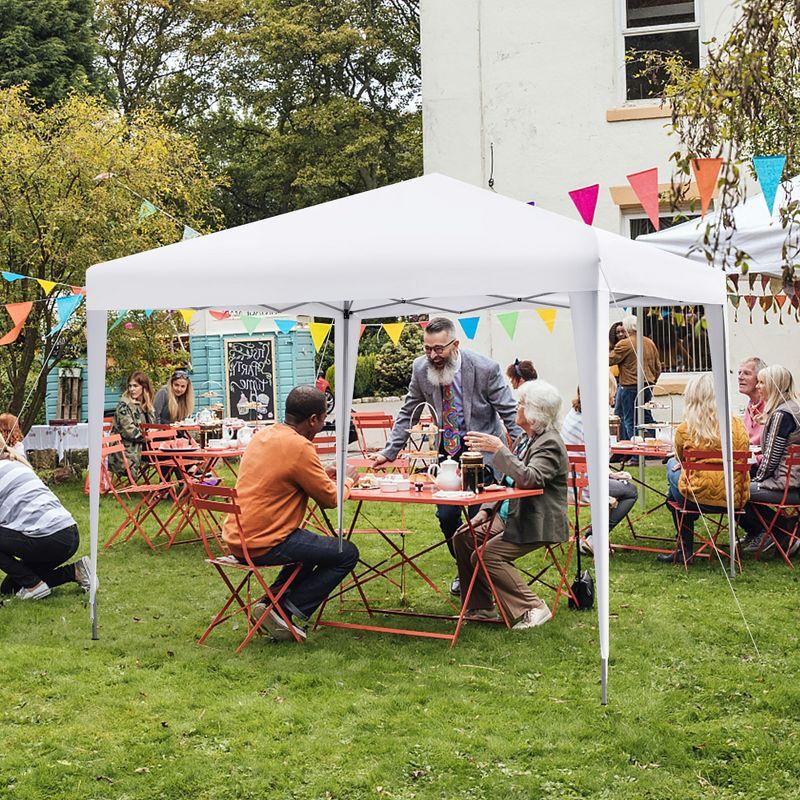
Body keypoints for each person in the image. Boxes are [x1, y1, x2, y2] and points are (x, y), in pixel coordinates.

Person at [369, 317, 522, 596]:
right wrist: (389, 451)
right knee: (447, 516)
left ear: (455, 345)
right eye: (427, 349)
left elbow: (510, 414)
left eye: (438, 349)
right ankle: (466, 570)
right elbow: (408, 413)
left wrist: (522, 455)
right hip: (446, 454)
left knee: (478, 520)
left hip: (481, 453)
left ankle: (478, 580)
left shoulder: (485, 369)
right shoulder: (420, 368)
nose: (432, 356)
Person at [224, 385, 359, 642]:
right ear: (313, 420)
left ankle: (271, 602)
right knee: (346, 552)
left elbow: (287, 470)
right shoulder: (300, 447)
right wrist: (348, 482)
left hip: (237, 535)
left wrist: (320, 470)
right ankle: (287, 609)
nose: (322, 425)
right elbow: (330, 498)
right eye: (323, 419)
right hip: (264, 542)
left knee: (310, 548)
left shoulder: (265, 434)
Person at [452, 380, 568, 629]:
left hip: (534, 520)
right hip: (508, 515)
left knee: (487, 555)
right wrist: (484, 510)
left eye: (522, 403)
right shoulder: (526, 439)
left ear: (535, 412)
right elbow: (506, 481)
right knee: (463, 536)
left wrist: (499, 449)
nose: (517, 407)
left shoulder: (549, 443)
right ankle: (481, 607)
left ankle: (532, 606)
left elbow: (530, 478)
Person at [658, 373, 749, 564]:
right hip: (734, 497)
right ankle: (684, 547)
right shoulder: (738, 426)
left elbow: (681, 459)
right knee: (677, 481)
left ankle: (685, 549)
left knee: (672, 467)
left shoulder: (686, 429)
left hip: (696, 497)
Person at [0, 434, 96, 600]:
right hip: (69, 534)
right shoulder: (17, 464)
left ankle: (33, 586)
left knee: (26, 582)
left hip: (48, 539)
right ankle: (75, 571)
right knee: (9, 589)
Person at [560, 376, 638, 554]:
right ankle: (595, 537)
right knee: (630, 491)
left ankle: (591, 537)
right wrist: (610, 473)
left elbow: (590, 458)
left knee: (622, 483)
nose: (614, 398)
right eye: (612, 393)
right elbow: (600, 458)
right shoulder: (594, 422)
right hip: (586, 486)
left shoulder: (573, 414)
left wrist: (610, 473)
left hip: (568, 483)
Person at [739, 365, 800, 555]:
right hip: (792, 479)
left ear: (774, 386)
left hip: (785, 485)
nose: (758, 386)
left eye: (762, 382)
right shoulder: (793, 408)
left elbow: (771, 459)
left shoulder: (781, 415)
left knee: (734, 490)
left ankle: (782, 530)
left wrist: (756, 480)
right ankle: (781, 530)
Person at [609, 314, 662, 441]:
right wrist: (652, 380)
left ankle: (635, 453)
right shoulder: (649, 342)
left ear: (627, 327)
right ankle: (658, 443)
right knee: (646, 417)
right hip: (648, 384)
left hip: (629, 386)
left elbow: (609, 360)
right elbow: (658, 367)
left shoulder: (625, 344)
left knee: (630, 419)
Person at [108, 371, 156, 476]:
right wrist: (149, 436)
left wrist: (154, 431)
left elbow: (152, 426)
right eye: (130, 386)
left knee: (170, 453)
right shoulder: (124, 405)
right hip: (127, 450)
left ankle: (167, 488)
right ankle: (165, 489)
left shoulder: (145, 405)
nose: (132, 389)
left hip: (143, 446)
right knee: (167, 455)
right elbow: (130, 432)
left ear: (144, 387)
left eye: (135, 386)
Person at [738, 357, 767, 456]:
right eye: (739, 373)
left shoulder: (770, 406)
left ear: (760, 379)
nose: (740, 377)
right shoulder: (751, 405)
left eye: (746, 373)